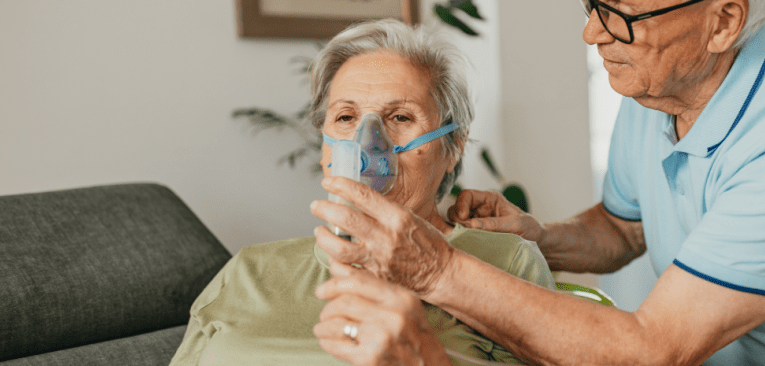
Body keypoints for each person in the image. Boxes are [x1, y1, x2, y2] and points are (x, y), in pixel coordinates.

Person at [311, 0, 765, 365]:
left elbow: (653, 350)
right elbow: (624, 227)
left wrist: (433, 265)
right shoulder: (657, 94)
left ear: (723, 21)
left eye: (621, 14)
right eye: (592, 2)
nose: (591, 32)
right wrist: (539, 236)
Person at [170, 19, 556, 366]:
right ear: (324, 148)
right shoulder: (249, 272)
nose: (367, 141)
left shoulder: (505, 265)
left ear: (453, 147)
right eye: (346, 117)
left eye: (400, 117)